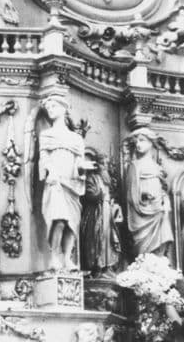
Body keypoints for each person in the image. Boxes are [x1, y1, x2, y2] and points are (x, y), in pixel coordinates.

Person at [38, 94, 93, 271]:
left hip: (72, 184)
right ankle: (54, 256)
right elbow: (44, 158)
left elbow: (78, 161)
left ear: (64, 109)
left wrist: (82, 168)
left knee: (71, 224)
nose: (50, 110)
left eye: (53, 106)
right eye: (48, 108)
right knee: (59, 220)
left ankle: (68, 258)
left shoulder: (76, 139)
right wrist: (51, 171)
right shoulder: (46, 135)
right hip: (56, 183)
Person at [125, 127, 174, 257]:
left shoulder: (157, 167)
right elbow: (130, 191)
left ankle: (157, 261)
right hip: (142, 210)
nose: (138, 144)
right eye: (136, 142)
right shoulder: (134, 165)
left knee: (162, 238)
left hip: (158, 209)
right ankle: (143, 261)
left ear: (151, 142)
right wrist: (143, 194)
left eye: (142, 140)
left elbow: (163, 188)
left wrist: (165, 201)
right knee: (143, 245)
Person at [80, 154, 123, 277]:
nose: (105, 167)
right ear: (97, 165)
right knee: (99, 238)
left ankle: (108, 265)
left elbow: (114, 195)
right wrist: (100, 195)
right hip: (96, 212)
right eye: (103, 164)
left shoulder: (108, 181)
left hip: (108, 211)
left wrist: (113, 203)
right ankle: (98, 266)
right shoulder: (92, 178)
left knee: (109, 238)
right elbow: (89, 194)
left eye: (107, 164)